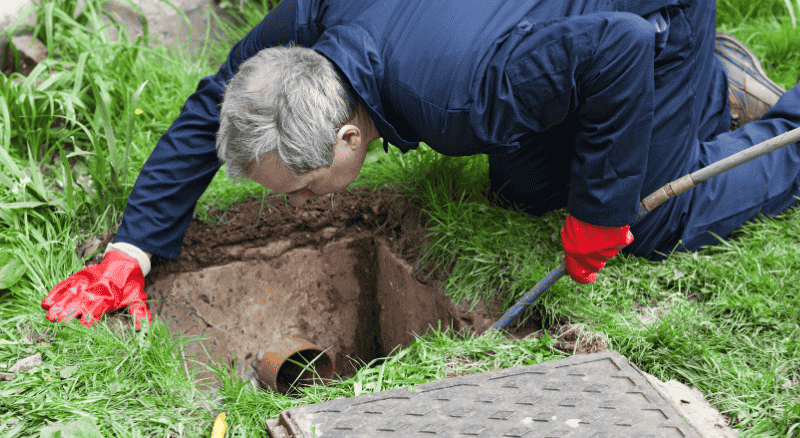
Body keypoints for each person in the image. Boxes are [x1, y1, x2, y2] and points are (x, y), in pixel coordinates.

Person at [42, 0, 800, 331]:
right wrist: (131, 248)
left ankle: (771, 117)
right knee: (527, 186)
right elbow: (219, 97)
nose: (302, 205)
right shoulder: (309, 28)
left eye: (304, 189)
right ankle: (707, 88)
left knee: (649, 217)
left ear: (347, 139)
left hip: (646, 18)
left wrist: (603, 213)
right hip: (549, 22)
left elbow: (621, 45)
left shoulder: (464, 99)